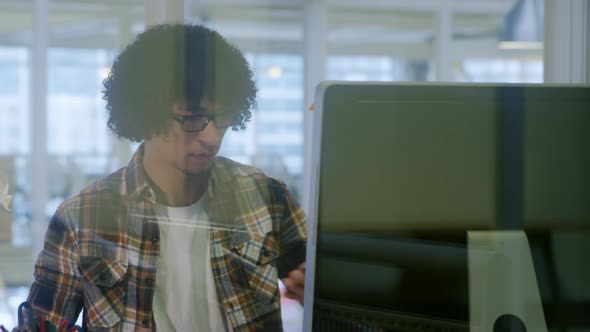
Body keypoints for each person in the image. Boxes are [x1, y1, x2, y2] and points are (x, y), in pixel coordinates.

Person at [27, 24, 307, 332]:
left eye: (221, 118)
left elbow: (327, 297)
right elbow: (43, 325)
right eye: (192, 119)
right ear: (147, 114)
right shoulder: (80, 219)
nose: (211, 137)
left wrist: (311, 287)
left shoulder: (267, 197)